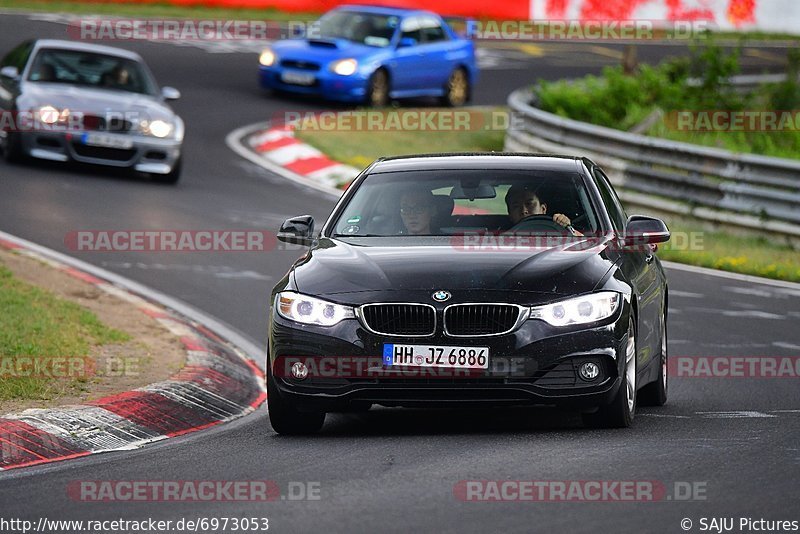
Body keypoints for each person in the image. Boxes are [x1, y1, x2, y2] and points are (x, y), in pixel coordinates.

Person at [505, 185, 582, 235]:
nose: (524, 211)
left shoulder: (558, 228)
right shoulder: (498, 239)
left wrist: (568, 228)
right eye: (516, 206)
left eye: (529, 204)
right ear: (510, 214)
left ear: (543, 209)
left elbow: (584, 245)